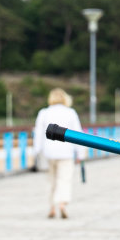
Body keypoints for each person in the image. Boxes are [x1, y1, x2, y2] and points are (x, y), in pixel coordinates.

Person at [33, 88, 86, 219]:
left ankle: (52, 207)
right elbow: (77, 133)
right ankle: (62, 204)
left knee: (51, 180)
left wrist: (36, 152)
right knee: (64, 179)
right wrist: (80, 154)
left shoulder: (43, 113)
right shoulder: (71, 113)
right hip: (66, 152)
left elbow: (38, 133)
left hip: (48, 152)